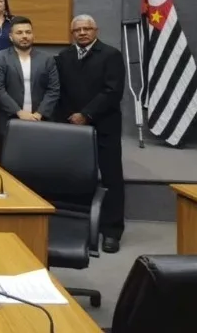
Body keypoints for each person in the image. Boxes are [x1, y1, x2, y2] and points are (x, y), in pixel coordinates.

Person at [56, 14, 126, 253]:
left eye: (87, 29)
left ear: (96, 30)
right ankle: (77, 224)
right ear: (72, 32)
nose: (83, 33)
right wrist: (70, 117)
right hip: (72, 128)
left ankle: (112, 231)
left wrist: (86, 114)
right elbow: (59, 92)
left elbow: (112, 91)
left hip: (103, 125)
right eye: (78, 30)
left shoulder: (111, 55)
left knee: (111, 178)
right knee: (73, 176)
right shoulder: (63, 57)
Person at [0, 16, 60, 136]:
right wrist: (19, 113)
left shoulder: (47, 59)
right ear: (11, 37)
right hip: (10, 120)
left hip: (41, 120)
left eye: (28, 32)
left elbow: (53, 89)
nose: (24, 36)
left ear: (33, 35)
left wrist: (39, 114)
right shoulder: (0, 58)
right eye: (19, 32)